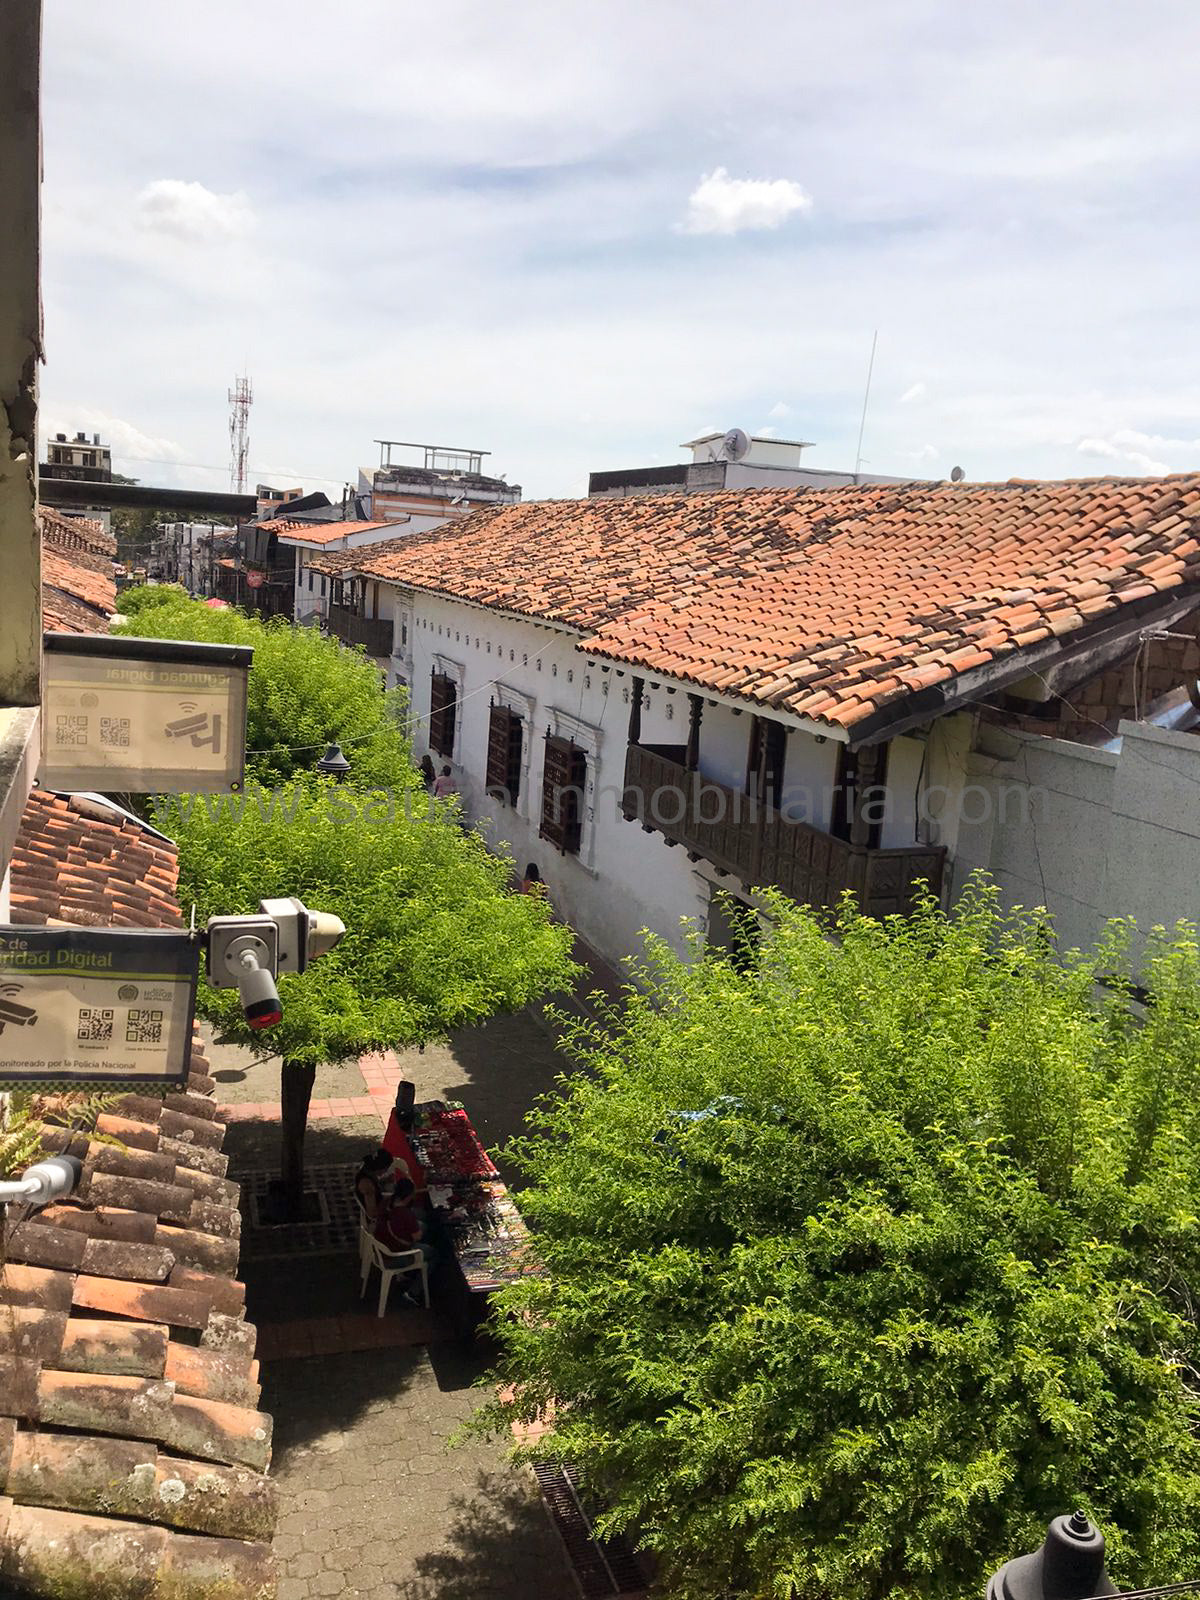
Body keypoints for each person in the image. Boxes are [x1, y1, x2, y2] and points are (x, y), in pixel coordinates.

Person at [352, 1148, 394, 1224]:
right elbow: (372, 1214)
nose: (386, 1171)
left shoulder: (366, 1170)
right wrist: (390, 1201)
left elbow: (375, 1185)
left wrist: (384, 1180)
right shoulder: (367, 1185)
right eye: (386, 1169)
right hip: (378, 1223)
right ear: (380, 1168)